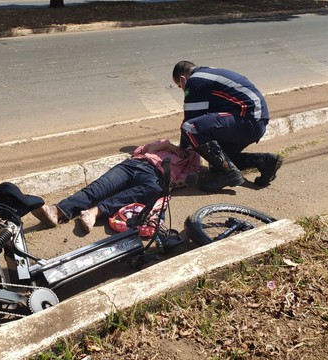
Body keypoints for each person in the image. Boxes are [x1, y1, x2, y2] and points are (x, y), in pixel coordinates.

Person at [33, 139, 200, 233]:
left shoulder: (192, 158)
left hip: (154, 178)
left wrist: (169, 177)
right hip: (134, 164)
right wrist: (167, 146)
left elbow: (186, 178)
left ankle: (93, 213)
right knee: (98, 188)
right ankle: (56, 211)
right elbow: (140, 150)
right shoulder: (165, 143)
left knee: (154, 190)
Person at [172, 60, 282, 192]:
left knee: (190, 127)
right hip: (255, 122)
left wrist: (182, 151)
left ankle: (229, 175)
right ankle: (264, 161)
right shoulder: (209, 73)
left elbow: (190, 122)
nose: (183, 90)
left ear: (183, 80)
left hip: (245, 119)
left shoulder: (195, 80)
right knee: (218, 161)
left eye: (180, 86)